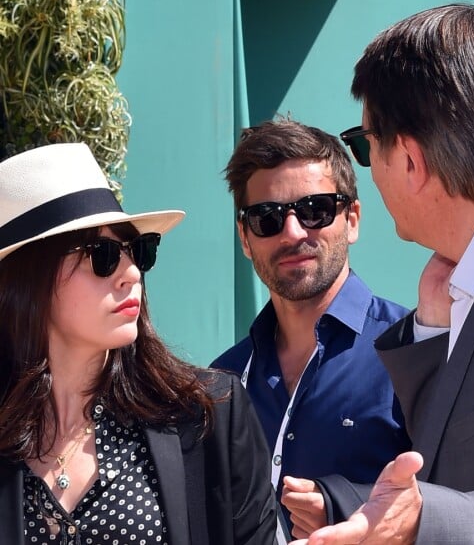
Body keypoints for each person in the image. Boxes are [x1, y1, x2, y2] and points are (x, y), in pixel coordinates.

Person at [292, 1, 474, 544]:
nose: (368, 169)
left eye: (363, 144)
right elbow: (457, 459)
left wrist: (422, 522)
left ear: (408, 159)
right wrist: (432, 332)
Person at [0, 143, 276, 544]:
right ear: (28, 280)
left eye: (138, 250)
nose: (130, 272)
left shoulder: (206, 415)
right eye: (103, 254)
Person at [210, 118, 410, 539]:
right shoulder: (222, 382)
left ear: (352, 219)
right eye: (267, 219)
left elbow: (460, 497)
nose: (293, 232)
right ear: (245, 239)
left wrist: (344, 507)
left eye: (314, 210)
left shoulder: (412, 350)